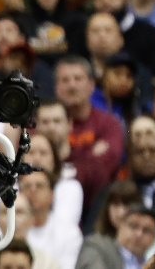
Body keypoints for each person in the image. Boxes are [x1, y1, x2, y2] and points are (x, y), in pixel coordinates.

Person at [55, 56, 125, 215]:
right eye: (65, 80)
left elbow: (107, 166)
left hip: (96, 207)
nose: (72, 85)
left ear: (91, 85)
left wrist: (65, 157)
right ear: (56, 87)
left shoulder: (109, 124)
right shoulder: (44, 120)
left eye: (78, 79)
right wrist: (91, 154)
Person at [19, 170, 83, 269]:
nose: (33, 190)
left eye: (39, 186)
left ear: (51, 194)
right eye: (27, 186)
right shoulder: (6, 229)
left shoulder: (69, 232)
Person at [75, 204, 155, 269]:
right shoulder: (97, 246)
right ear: (120, 226)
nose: (139, 234)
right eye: (133, 226)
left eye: (146, 230)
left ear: (154, 237)